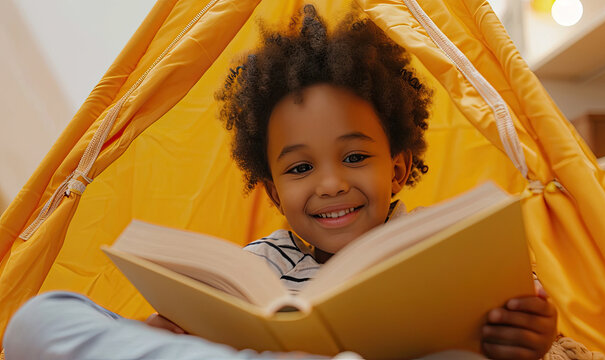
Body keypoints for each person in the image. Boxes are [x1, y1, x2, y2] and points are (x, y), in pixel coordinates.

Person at [3, 5, 557, 360]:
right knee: (38, 319)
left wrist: (529, 338)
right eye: (299, 168)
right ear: (272, 191)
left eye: (356, 156)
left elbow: (521, 327)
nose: (331, 184)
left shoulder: (453, 253)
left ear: (399, 168)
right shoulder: (254, 271)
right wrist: (162, 334)